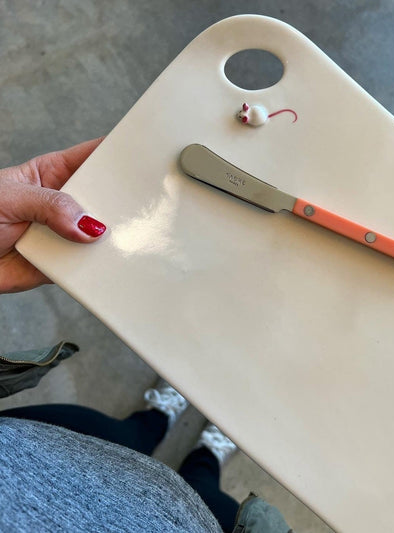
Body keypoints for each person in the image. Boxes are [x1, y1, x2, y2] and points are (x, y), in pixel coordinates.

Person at [0, 140, 293, 533]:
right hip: (192, 522)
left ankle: (158, 415)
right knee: (203, 481)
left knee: (127, 434)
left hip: (33, 454)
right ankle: (208, 450)